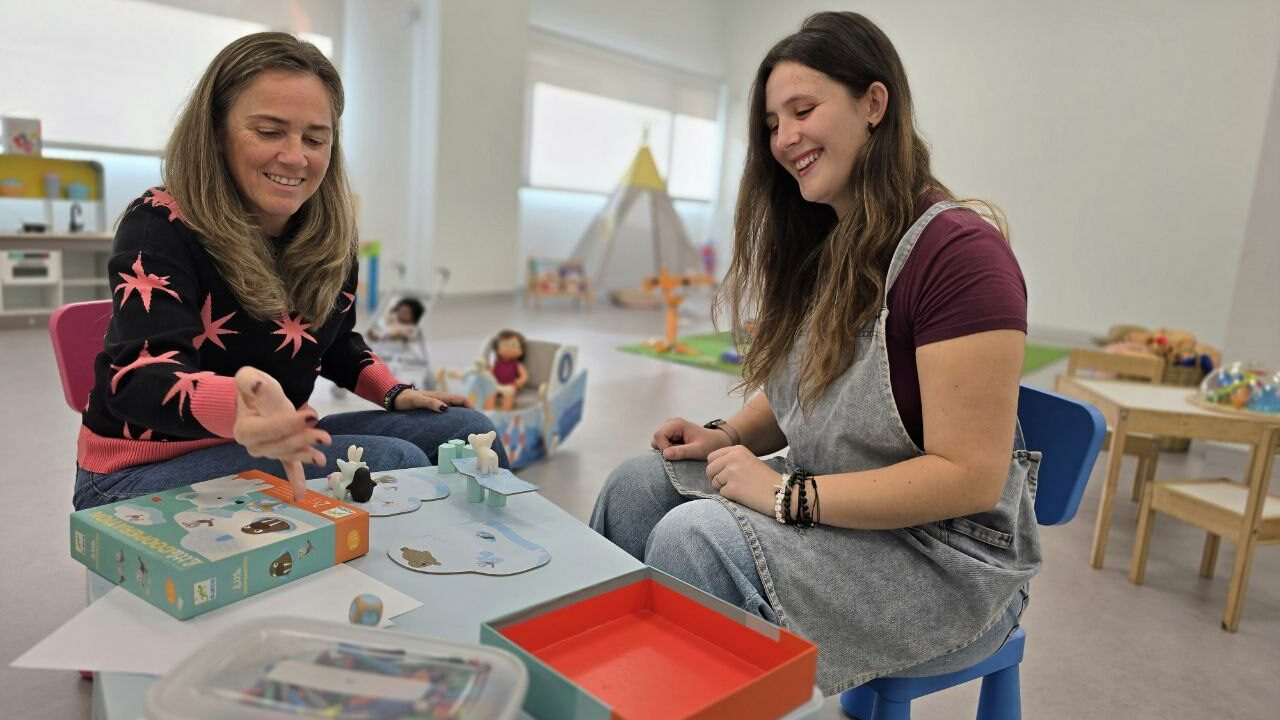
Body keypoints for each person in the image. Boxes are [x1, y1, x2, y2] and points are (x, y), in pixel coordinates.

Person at [590, 12, 1040, 694]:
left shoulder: (962, 257)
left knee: (696, 541)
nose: (784, 139)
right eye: (773, 123)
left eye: (803, 110)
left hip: (949, 563)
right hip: (848, 513)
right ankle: (622, 697)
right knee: (637, 487)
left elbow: (970, 477)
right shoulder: (835, 243)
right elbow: (816, 388)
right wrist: (725, 434)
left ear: (874, 104)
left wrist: (786, 494)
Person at [73, 32, 505, 510]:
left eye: (315, 138)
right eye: (269, 131)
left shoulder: (329, 234)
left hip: (272, 442)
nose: (296, 157)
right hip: (138, 472)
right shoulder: (159, 225)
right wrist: (241, 404)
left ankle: (479, 567)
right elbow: (140, 378)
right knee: (391, 459)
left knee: (468, 431)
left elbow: (336, 341)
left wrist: (393, 391)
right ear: (215, 132)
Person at [485, 330, 528, 411]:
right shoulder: (497, 363)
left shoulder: (517, 365)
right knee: (489, 393)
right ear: (498, 350)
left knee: (509, 395)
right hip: (497, 385)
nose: (509, 349)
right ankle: (488, 412)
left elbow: (524, 376)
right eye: (505, 345)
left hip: (510, 386)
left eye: (514, 345)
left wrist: (521, 381)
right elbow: (490, 373)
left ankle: (504, 414)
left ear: (521, 351)